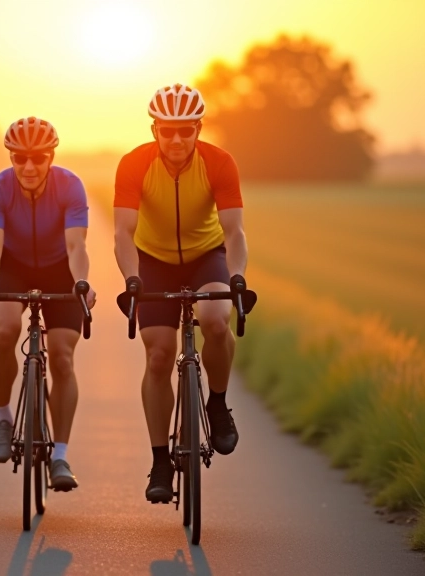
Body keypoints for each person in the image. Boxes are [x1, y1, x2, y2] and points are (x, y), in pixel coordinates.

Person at [112, 84, 248, 503]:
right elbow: (122, 232)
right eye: (167, 130)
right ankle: (159, 461)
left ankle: (218, 404)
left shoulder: (219, 162)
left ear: (198, 129)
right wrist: (131, 279)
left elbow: (234, 231)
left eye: (185, 131)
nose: (176, 139)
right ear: (154, 129)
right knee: (157, 354)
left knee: (216, 319)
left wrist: (237, 276)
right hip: (152, 260)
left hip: (206, 255)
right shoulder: (134, 163)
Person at [0, 116, 96, 492]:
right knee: (6, 329)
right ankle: (2, 418)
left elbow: (76, 245)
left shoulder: (71, 186)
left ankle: (60, 455)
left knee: (61, 356)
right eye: (19, 158)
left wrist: (81, 283)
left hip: (60, 269)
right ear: (10, 157)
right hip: (12, 268)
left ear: (51, 156)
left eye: (37, 158)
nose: (28, 166)